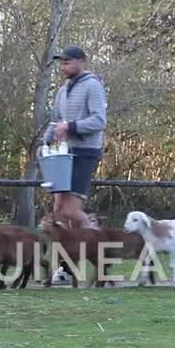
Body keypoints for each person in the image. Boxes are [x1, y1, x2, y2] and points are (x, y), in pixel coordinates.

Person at [42, 44, 107, 227]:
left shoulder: (93, 86)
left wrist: (70, 127)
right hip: (64, 154)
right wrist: (46, 143)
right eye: (61, 64)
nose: (63, 67)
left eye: (67, 63)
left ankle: (97, 237)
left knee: (71, 211)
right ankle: (69, 251)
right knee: (58, 210)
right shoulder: (63, 90)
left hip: (86, 152)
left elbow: (99, 121)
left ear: (81, 62)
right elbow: (55, 120)